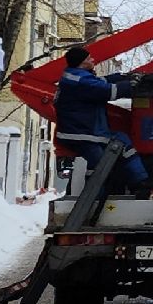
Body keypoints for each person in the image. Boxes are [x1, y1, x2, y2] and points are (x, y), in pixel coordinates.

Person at [53, 45, 148, 201]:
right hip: (82, 134)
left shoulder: (77, 77)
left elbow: (100, 82)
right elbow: (106, 90)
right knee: (100, 167)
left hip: (83, 132)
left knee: (122, 140)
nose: (93, 60)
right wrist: (130, 85)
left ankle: (140, 182)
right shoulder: (80, 81)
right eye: (89, 58)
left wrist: (123, 76)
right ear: (82, 62)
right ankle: (93, 200)